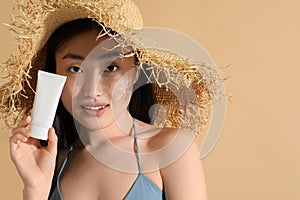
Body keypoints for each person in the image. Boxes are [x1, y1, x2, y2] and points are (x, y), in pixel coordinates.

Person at [0, 0, 222, 199]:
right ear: (55, 75)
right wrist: (35, 189)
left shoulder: (171, 149)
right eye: (75, 69)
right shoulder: (52, 165)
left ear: (135, 74)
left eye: (111, 67)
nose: (92, 90)